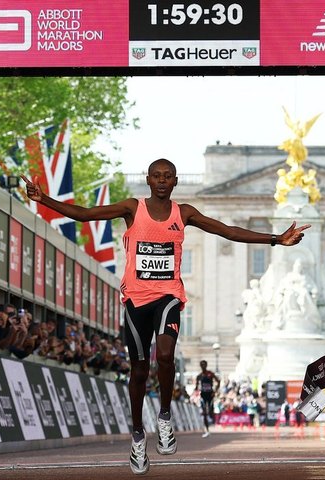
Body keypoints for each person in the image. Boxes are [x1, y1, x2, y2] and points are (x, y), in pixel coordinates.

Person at [21, 158, 310, 475]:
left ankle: (164, 415)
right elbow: (86, 215)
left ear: (175, 181)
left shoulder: (183, 213)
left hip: (169, 295)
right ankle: (137, 435)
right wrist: (43, 199)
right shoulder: (133, 208)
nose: (161, 180)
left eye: (167, 176)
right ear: (148, 180)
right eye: (156, 176)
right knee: (140, 370)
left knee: (167, 354)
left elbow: (226, 230)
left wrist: (275, 239)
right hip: (135, 299)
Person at [195, 360, 220, 438]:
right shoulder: (199, 376)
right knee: (204, 412)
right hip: (203, 395)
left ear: (206, 365)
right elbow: (196, 387)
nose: (203, 366)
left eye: (204, 364)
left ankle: (212, 420)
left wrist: (215, 391)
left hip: (210, 394)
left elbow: (218, 381)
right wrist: (196, 389)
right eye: (201, 365)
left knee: (210, 411)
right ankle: (207, 430)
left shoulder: (210, 373)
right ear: (200, 366)